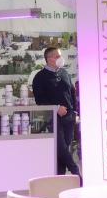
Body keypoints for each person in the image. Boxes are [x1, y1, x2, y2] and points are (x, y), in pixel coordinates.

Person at [32, 45, 79, 176]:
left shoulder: (64, 73)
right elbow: (39, 100)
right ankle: (76, 172)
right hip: (53, 119)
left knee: (63, 151)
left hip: (69, 118)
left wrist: (75, 112)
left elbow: (72, 92)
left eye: (60, 56)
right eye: (57, 56)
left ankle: (60, 178)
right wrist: (56, 108)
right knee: (61, 148)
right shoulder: (40, 77)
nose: (61, 58)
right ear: (49, 59)